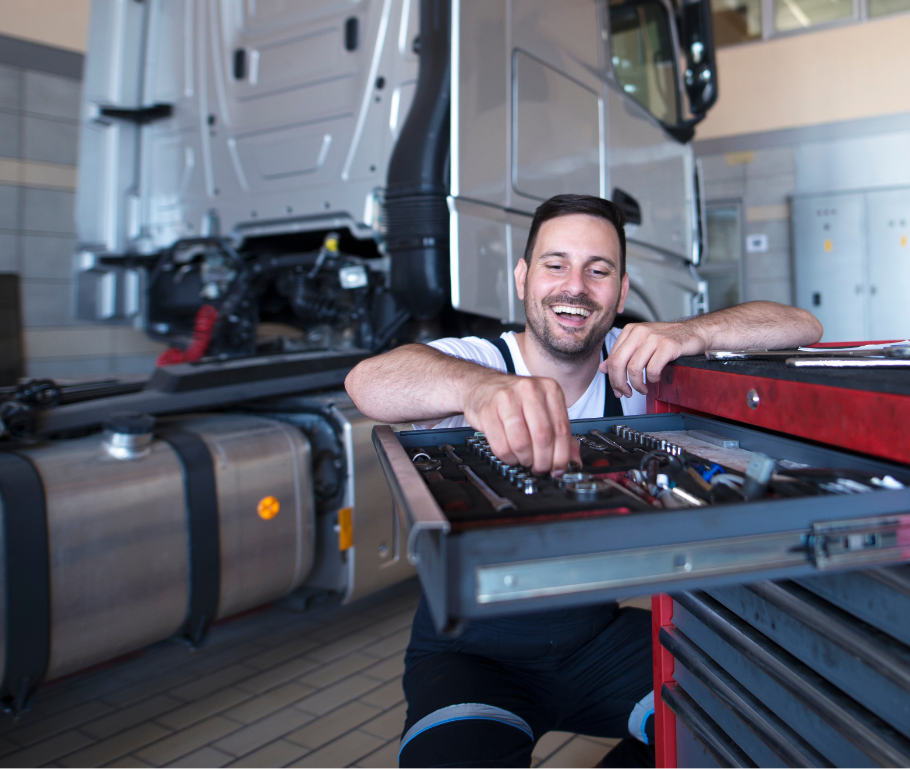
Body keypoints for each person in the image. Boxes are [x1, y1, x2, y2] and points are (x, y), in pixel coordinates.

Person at [345, 193, 823, 768]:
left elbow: (803, 326)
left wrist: (693, 332)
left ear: (621, 292)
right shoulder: (479, 360)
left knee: (736, 726)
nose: (575, 287)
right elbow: (368, 382)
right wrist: (479, 390)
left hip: (595, 641)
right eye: (555, 265)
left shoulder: (638, 360)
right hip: (472, 655)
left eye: (599, 271)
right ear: (523, 278)